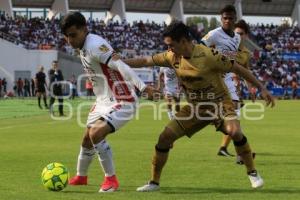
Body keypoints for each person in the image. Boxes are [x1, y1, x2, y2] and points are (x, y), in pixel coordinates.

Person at [123, 21, 275, 191]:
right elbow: (145, 60)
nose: (169, 49)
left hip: (220, 104)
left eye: (171, 45)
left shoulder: (209, 55)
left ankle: (252, 172)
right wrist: (120, 62)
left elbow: (238, 69)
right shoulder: (171, 57)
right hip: (195, 108)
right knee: (164, 138)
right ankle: (154, 183)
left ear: (183, 41)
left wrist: (261, 88)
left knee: (234, 131)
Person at [60, 12, 157, 192]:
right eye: (66, 36)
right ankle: (81, 176)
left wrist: (143, 88)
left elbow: (121, 65)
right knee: (86, 139)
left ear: (84, 29)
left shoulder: (96, 45)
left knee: (96, 134)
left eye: (73, 35)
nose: (69, 40)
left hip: (123, 99)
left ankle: (111, 180)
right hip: (103, 100)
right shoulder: (83, 46)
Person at [201, 5, 243, 157]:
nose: (227, 20)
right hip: (214, 79)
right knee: (217, 115)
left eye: (230, 18)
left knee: (236, 111)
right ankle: (240, 150)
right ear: (221, 19)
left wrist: (236, 79)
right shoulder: (214, 34)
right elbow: (198, 49)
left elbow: (231, 62)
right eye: (224, 18)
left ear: (235, 19)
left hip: (228, 79)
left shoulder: (237, 38)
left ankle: (238, 152)